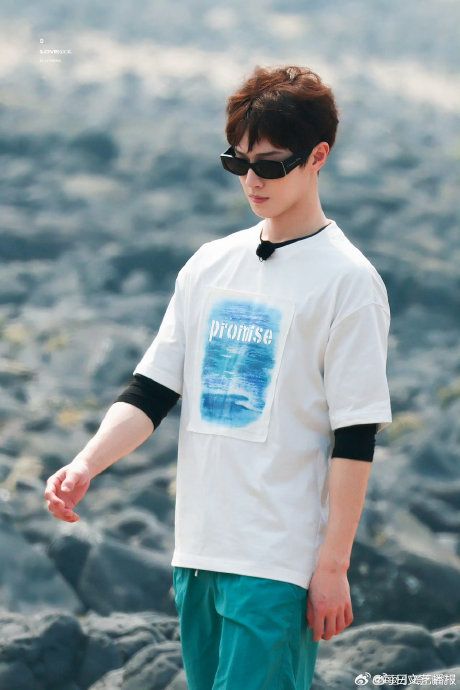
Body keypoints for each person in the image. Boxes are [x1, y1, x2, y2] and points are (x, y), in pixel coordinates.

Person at [44, 64, 392, 690]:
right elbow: (152, 391)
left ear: (318, 157)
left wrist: (332, 566)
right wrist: (86, 465)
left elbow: (355, 434)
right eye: (239, 163)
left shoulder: (349, 283)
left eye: (271, 165)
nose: (253, 181)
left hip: (278, 562)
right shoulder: (209, 265)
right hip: (198, 553)